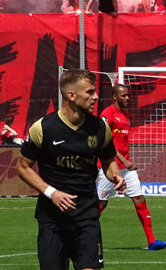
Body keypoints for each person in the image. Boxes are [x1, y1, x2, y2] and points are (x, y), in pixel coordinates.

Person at [17, 68, 125, 270]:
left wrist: (115, 175)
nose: (96, 97)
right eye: (90, 92)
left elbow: (108, 158)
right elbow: (23, 167)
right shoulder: (43, 128)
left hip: (87, 216)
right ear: (71, 96)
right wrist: (52, 193)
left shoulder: (100, 128)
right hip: (52, 219)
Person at [96, 85, 166, 251]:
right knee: (100, 204)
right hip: (109, 166)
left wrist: (126, 160)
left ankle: (152, 241)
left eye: (128, 95)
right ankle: (83, 236)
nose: (128, 98)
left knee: (139, 199)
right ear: (114, 97)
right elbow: (105, 141)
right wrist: (122, 159)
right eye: (124, 96)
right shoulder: (107, 115)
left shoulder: (126, 115)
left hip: (126, 168)